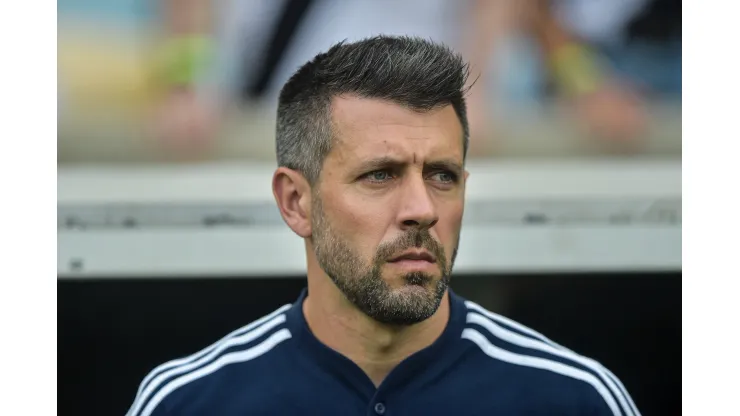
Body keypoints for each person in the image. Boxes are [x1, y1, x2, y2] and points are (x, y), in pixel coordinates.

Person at [126, 36, 641, 416]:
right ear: (295, 202)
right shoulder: (188, 402)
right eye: (380, 175)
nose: (422, 208)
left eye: (443, 175)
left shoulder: (575, 398)